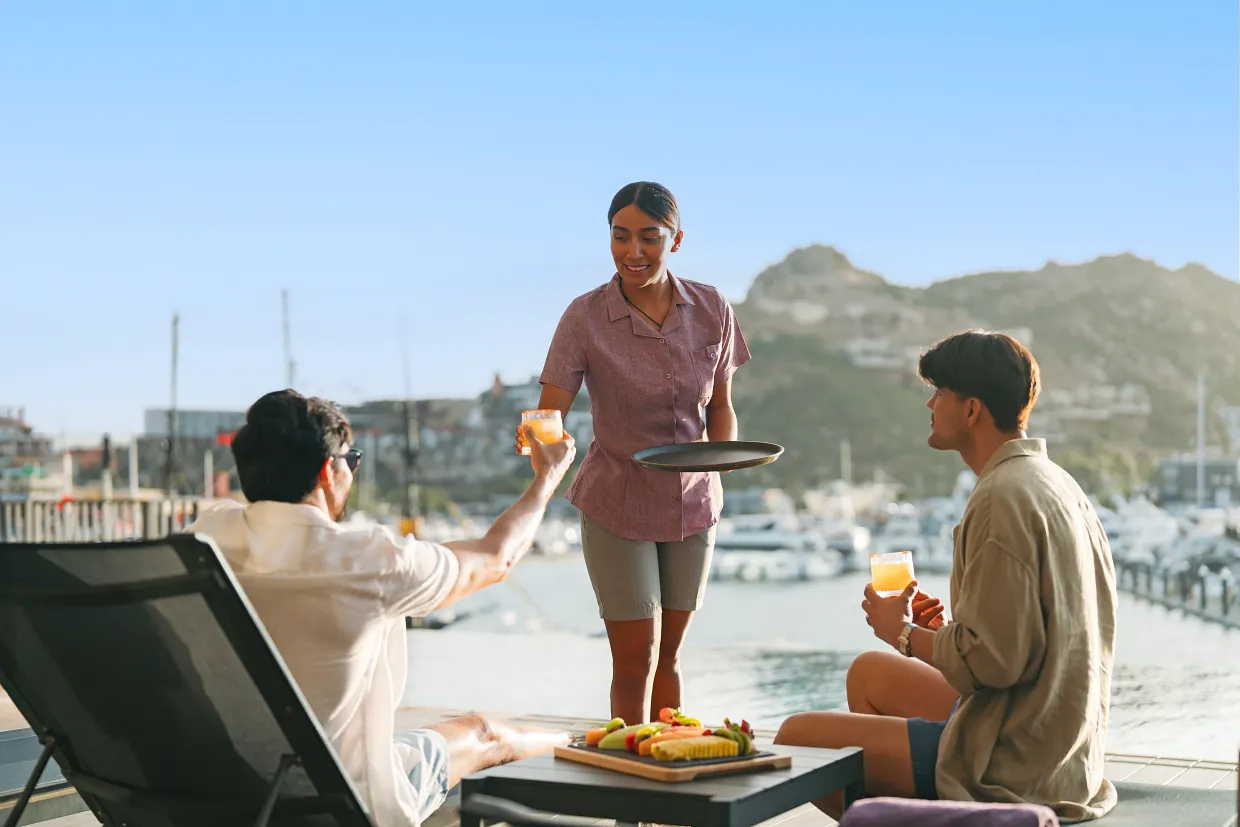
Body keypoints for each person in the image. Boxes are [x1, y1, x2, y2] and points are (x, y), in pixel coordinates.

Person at [187, 389, 577, 827]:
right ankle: (580, 743)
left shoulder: (206, 535)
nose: (351, 472)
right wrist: (548, 477)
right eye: (350, 461)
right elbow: (496, 558)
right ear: (326, 472)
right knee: (484, 734)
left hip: (229, 788)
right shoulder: (368, 560)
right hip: (347, 800)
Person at [774, 330, 1118, 824]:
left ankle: (951, 814)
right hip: (1058, 736)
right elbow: (1019, 640)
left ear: (972, 410)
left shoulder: (1002, 498)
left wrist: (904, 633)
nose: (930, 404)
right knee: (868, 673)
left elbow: (994, 662)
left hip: (1016, 761)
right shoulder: (1053, 482)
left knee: (796, 740)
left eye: (940, 393)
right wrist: (941, 633)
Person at [528, 181, 752, 726]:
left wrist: (720, 461)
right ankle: (629, 785)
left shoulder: (712, 307)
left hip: (693, 501)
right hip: (616, 500)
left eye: (649, 238)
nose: (633, 251)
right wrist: (540, 437)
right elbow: (549, 413)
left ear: (675, 240)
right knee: (635, 658)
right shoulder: (583, 317)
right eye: (620, 236)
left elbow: (720, 406)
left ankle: (667, 776)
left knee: (671, 657)